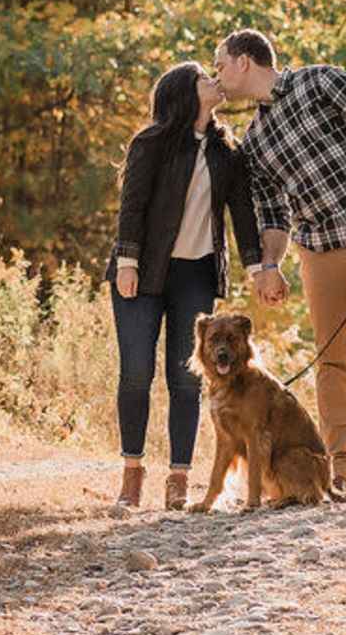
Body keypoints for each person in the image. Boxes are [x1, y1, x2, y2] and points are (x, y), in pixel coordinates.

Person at [211, 28, 346, 498]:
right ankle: (340, 476)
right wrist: (270, 265)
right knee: (333, 362)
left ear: (244, 61)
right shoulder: (255, 141)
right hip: (320, 248)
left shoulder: (320, 82)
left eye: (220, 64)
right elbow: (272, 214)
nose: (217, 75)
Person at [107, 58, 261, 511]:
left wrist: (257, 267)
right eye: (204, 78)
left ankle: (179, 478)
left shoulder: (226, 152)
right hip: (143, 268)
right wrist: (128, 261)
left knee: (186, 378)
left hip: (195, 273)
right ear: (184, 93)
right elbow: (131, 206)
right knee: (136, 372)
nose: (215, 81)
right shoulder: (151, 143)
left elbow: (243, 214)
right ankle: (131, 474)